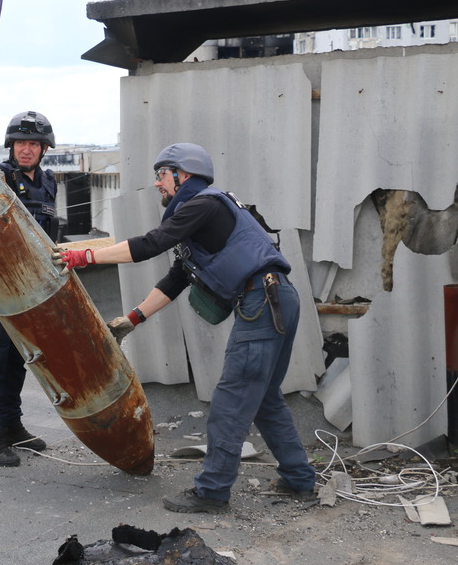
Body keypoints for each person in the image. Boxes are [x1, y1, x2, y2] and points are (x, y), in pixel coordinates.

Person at [53, 142, 317, 512]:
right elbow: (176, 279)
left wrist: (85, 256)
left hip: (263, 301)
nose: (158, 184)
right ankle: (300, 481)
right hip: (276, 299)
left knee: (229, 400)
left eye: (162, 175)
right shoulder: (200, 221)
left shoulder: (204, 204)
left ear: (184, 174)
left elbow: (151, 244)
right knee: (266, 400)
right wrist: (131, 320)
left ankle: (212, 492)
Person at [0, 111, 59, 467]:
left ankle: (10, 424)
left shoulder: (49, 183)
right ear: (11, 146)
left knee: (16, 360)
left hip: (30, 289)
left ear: (44, 149)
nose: (26, 150)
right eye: (21, 143)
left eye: (33, 144)